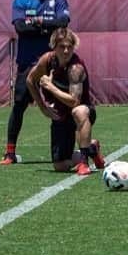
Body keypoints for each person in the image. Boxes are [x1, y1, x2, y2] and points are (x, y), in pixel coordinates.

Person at [0, 0, 71, 165]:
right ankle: (10, 153)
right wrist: (46, 26)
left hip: (52, 64)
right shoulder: (21, 0)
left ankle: (65, 151)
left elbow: (63, 22)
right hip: (27, 63)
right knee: (19, 105)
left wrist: (37, 24)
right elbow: (21, 27)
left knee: (60, 106)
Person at [26, 28, 104, 175]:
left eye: (70, 47)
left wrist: (51, 87)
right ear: (54, 46)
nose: (66, 51)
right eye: (62, 46)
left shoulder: (76, 68)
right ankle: (92, 149)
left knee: (79, 111)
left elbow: (74, 101)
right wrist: (42, 107)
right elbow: (30, 80)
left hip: (82, 111)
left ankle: (83, 162)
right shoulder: (47, 60)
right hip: (60, 114)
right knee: (60, 166)